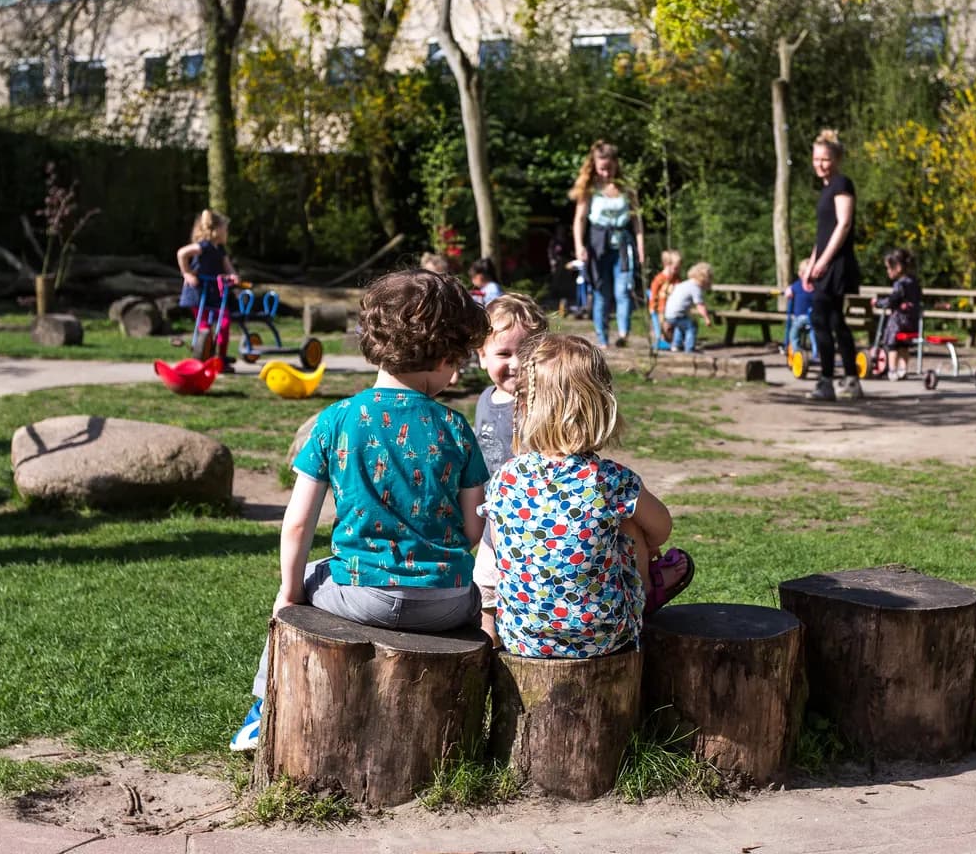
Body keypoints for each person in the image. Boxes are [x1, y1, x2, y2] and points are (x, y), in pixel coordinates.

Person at [230, 269, 491, 752]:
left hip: (360, 592)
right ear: (439, 354)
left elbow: (300, 522)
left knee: (308, 576)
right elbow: (474, 528)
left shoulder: (335, 420)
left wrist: (289, 593)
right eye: (455, 360)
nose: (456, 375)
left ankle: (262, 709)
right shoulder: (455, 427)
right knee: (477, 595)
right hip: (448, 600)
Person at [478, 334, 694, 657]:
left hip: (521, 637)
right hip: (603, 637)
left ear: (523, 407)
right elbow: (662, 527)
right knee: (632, 525)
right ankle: (647, 592)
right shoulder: (612, 480)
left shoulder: (506, 477)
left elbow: (497, 545)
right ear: (602, 406)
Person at [802, 129, 863, 402]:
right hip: (824, 263)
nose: (820, 164)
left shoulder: (842, 184)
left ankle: (828, 380)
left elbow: (843, 224)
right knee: (834, 320)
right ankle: (849, 378)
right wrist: (811, 265)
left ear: (836, 159)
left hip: (837, 264)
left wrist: (825, 262)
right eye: (816, 159)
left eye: (825, 159)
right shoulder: (827, 189)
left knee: (822, 319)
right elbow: (823, 233)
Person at [571, 141, 645, 348]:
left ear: (616, 164)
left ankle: (623, 334)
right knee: (601, 292)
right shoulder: (589, 189)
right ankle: (602, 338)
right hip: (598, 245)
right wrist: (579, 246)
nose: (605, 173)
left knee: (623, 290)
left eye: (609, 168)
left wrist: (641, 247)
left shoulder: (626, 188)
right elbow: (580, 219)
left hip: (622, 246)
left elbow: (637, 220)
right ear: (594, 165)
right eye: (601, 168)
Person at [474, 294, 549, 476]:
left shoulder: (544, 404)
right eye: (504, 354)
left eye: (527, 352)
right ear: (482, 356)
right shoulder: (485, 398)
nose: (516, 363)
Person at [176, 210, 241, 369]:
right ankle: (204, 355)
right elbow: (182, 253)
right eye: (225, 229)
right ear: (217, 230)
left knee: (224, 322)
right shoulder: (203, 246)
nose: (226, 232)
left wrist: (233, 276)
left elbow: (228, 268)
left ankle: (221, 357)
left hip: (216, 292)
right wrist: (187, 274)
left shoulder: (220, 250)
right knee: (204, 325)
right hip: (200, 292)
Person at [875, 248, 924, 380]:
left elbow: (893, 300)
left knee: (893, 345)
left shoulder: (900, 284)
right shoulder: (914, 282)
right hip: (912, 320)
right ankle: (903, 369)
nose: (887, 272)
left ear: (897, 268)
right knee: (904, 346)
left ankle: (892, 370)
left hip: (899, 321)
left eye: (888, 268)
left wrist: (878, 303)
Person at [662, 262, 714, 354]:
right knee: (692, 326)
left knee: (681, 325)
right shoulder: (695, 287)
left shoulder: (685, 284)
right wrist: (706, 318)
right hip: (677, 314)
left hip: (669, 314)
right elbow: (700, 305)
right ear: (704, 279)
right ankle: (690, 348)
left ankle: (676, 345)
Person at [647, 249, 682, 350]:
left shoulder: (676, 278)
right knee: (660, 325)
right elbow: (653, 293)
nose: (677, 270)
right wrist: (652, 306)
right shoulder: (659, 279)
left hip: (671, 308)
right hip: (660, 308)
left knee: (669, 326)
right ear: (667, 264)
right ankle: (661, 340)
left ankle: (671, 341)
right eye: (675, 268)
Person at [782, 259, 816, 363]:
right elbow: (789, 291)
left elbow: (789, 291)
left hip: (805, 319)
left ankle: (799, 353)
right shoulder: (812, 286)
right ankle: (811, 354)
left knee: (794, 334)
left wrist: (788, 292)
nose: (801, 274)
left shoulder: (800, 285)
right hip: (809, 319)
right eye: (801, 271)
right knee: (812, 336)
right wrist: (788, 292)